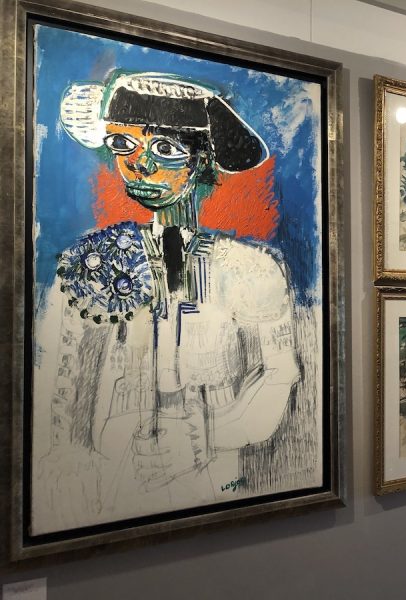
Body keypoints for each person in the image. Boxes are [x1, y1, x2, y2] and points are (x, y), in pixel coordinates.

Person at [32, 72, 300, 533]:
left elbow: (279, 375)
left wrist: (207, 435)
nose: (140, 166)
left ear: (201, 160)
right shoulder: (90, 262)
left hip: (218, 485)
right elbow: (57, 384)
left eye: (165, 149)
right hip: (106, 489)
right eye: (123, 146)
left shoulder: (251, 269)